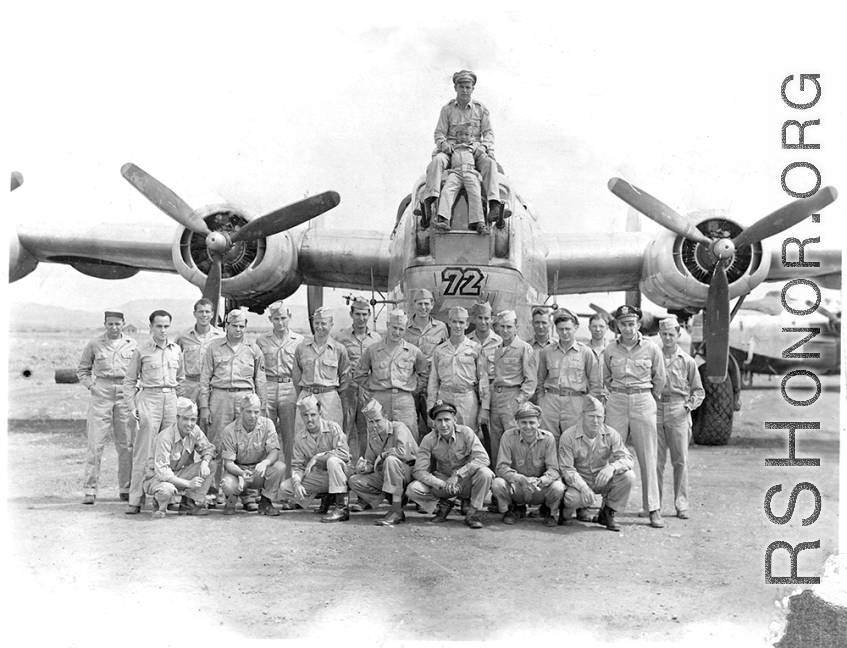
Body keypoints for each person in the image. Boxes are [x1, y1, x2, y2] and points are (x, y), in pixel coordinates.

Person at [602, 304, 666, 528]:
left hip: (643, 400)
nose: (627, 328)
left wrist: (647, 396)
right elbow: (606, 378)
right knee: (613, 456)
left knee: (648, 456)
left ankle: (653, 509)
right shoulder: (610, 349)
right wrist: (619, 394)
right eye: (623, 324)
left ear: (639, 324)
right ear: (617, 326)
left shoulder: (651, 348)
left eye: (631, 324)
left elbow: (660, 378)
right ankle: (608, 509)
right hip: (617, 400)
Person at [199, 309, 267, 506]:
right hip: (220, 397)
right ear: (226, 326)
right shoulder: (213, 348)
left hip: (245, 397)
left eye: (241, 326)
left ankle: (248, 494)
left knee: (248, 446)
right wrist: (204, 406)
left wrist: (261, 408)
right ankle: (212, 492)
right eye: (234, 325)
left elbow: (260, 381)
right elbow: (205, 379)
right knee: (216, 444)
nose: (238, 329)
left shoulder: (253, 349)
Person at [422, 70, 504, 228]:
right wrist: (444, 145)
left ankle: (494, 204)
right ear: (455, 87)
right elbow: (439, 132)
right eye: (461, 86)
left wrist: (483, 146)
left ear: (473, 88)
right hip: (452, 148)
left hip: (474, 149)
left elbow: (488, 133)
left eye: (468, 86)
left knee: (489, 164)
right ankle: (430, 199)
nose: (465, 90)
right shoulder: (447, 109)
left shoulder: (481, 109)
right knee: (437, 161)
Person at [123, 310, 185, 514]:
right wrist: (133, 407)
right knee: (144, 451)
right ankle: (135, 499)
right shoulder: (142, 351)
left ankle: (168, 496)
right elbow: (130, 381)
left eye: (166, 326)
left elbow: (182, 380)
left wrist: (181, 404)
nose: (163, 330)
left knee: (171, 451)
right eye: (159, 326)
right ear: (151, 327)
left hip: (171, 401)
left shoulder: (176, 350)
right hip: (150, 398)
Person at [77, 310, 137, 504]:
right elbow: (83, 369)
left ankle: (125, 488)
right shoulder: (94, 344)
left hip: (124, 393)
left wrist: (134, 389)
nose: (114, 327)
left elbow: (138, 370)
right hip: (101, 391)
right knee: (95, 443)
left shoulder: (132, 344)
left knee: (126, 444)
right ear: (105, 324)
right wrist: (91, 386)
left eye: (117, 324)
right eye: (110, 324)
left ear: (123, 323)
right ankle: (90, 490)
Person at [406, 400, 494, 529]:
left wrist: (458, 474)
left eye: (447, 420)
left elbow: (483, 458)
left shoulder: (466, 433)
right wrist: (441, 484)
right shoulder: (429, 439)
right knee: (413, 489)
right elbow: (419, 471)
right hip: (444, 481)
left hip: (466, 480)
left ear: (455, 420)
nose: (444, 425)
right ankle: (443, 505)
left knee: (486, 473)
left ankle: (472, 513)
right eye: (439, 420)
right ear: (434, 423)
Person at [558, 396, 635, 532]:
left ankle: (607, 513)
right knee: (573, 499)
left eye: (599, 417)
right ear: (582, 416)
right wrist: (583, 488)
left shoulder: (611, 434)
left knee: (628, 476)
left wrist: (612, 467)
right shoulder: (568, 436)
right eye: (591, 416)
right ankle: (566, 512)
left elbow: (628, 459)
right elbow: (567, 470)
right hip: (578, 483)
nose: (595, 421)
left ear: (604, 417)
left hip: (600, 480)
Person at [656, 316, 705, 519]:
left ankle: (681, 504)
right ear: (660, 335)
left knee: (680, 461)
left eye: (671, 334)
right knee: (656, 461)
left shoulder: (688, 361)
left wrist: (688, 406)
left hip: (678, 409)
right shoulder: (653, 357)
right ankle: (654, 505)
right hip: (656, 408)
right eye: (664, 334)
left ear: (678, 335)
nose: (668, 338)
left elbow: (698, 391)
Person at [355, 309, 428, 441]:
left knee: (408, 438)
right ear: (388, 325)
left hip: (405, 401)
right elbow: (359, 375)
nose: (397, 332)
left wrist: (412, 390)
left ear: (405, 329)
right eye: (394, 327)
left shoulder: (413, 351)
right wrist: (374, 387)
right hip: (380, 399)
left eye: (401, 329)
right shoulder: (372, 350)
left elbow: (424, 374)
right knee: (379, 438)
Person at [278, 395, 352, 523]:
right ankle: (327, 496)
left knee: (332, 461)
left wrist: (318, 457)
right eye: (305, 415)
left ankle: (341, 508)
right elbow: (297, 466)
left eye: (313, 414)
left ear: (320, 413)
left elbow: (344, 454)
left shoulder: (333, 428)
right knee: (286, 487)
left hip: (343, 474)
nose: (309, 419)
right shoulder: (300, 438)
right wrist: (297, 483)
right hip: (321, 478)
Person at [348, 399, 419, 526]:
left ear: (386, 417)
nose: (375, 425)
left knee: (391, 460)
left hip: (408, 473)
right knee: (355, 480)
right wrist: (364, 468)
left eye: (377, 420)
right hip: (387, 475)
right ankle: (393, 499)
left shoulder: (399, 428)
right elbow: (370, 461)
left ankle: (397, 511)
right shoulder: (374, 437)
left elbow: (405, 453)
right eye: (371, 422)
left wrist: (383, 455)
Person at [536, 308, 601, 444]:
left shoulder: (586, 352)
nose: (564, 333)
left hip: (575, 403)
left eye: (568, 329)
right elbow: (540, 381)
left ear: (575, 328)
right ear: (556, 329)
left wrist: (586, 405)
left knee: (574, 442)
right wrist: (542, 402)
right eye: (561, 329)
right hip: (550, 403)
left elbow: (595, 385)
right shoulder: (547, 351)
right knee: (548, 442)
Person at [491, 402, 562, 527]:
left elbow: (554, 470)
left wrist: (540, 481)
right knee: (497, 484)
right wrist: (521, 479)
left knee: (558, 487)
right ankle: (512, 509)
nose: (528, 427)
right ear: (517, 423)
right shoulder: (508, 437)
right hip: (518, 487)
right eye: (523, 423)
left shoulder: (548, 438)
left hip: (539, 488)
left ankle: (547, 511)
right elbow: (501, 468)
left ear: (539, 422)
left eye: (532, 422)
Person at [144, 397, 216, 518]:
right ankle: (159, 504)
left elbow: (209, 448)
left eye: (193, 420)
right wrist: (188, 484)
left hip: (176, 474)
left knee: (211, 465)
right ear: (177, 418)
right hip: (156, 478)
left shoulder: (195, 431)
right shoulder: (166, 437)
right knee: (167, 489)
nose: (189, 424)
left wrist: (204, 463)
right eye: (185, 419)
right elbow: (162, 473)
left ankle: (188, 504)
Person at [256, 300, 304, 476]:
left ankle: (290, 479)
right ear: (270, 319)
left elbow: (302, 368)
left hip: (289, 387)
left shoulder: (299, 341)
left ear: (289, 317)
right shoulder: (261, 341)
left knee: (290, 436)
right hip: (268, 387)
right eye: (276, 318)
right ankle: (264, 479)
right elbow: (257, 370)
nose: (280, 322)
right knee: (265, 435)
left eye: (283, 318)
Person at [219, 393, 286, 516]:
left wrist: (265, 463)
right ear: (241, 410)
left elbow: (274, 451)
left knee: (279, 467)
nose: (253, 416)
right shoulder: (229, 430)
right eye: (249, 412)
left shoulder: (268, 424)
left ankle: (265, 502)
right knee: (227, 484)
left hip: (258, 470)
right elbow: (228, 463)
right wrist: (241, 473)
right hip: (238, 471)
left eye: (256, 412)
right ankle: (230, 503)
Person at [427, 306, 489, 433]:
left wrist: (485, 408)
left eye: (461, 322)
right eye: (454, 321)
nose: (457, 326)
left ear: (467, 325)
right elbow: (433, 381)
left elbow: (483, 379)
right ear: (449, 323)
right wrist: (430, 407)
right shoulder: (439, 350)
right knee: (444, 435)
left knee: (468, 435)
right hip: (445, 397)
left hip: (467, 399)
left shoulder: (475, 349)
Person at [489, 310, 537, 470]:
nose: (505, 330)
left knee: (514, 438)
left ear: (516, 327)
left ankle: (516, 476)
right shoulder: (497, 349)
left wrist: (520, 400)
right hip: (496, 398)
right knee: (496, 439)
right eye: (501, 326)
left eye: (509, 326)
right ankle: (499, 475)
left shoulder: (525, 348)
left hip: (513, 397)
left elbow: (531, 379)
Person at [334, 298, 381, 461]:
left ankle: (364, 464)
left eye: (364, 314)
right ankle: (342, 464)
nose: (361, 318)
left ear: (369, 315)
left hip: (368, 390)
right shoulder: (341, 337)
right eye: (358, 314)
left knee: (366, 429)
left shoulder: (376, 339)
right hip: (347, 389)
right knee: (344, 428)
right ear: (351, 315)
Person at [292, 306, 350, 432]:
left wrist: (332, 392)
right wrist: (304, 394)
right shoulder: (302, 348)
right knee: (304, 435)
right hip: (306, 395)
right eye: (316, 323)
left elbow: (345, 376)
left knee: (332, 434)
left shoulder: (339, 349)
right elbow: (296, 376)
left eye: (323, 323)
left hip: (329, 398)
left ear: (331, 324)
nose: (319, 327)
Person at [403, 288, 449, 433]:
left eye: (426, 304)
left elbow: (445, 354)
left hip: (432, 384)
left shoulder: (441, 328)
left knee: (435, 424)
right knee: (410, 425)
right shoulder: (404, 327)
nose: (423, 308)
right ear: (414, 304)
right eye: (420, 304)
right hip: (410, 384)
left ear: (432, 304)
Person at [432, 125, 489, 234]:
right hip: (455, 172)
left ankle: (479, 222)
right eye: (461, 134)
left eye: (467, 134)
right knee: (447, 191)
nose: (463, 137)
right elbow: (436, 153)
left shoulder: (475, 146)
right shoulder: (452, 147)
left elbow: (485, 153)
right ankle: (444, 220)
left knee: (475, 192)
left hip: (470, 171)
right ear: (456, 136)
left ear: (471, 136)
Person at [175, 298, 224, 408]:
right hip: (190, 387)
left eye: (207, 312)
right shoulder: (183, 337)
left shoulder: (221, 337)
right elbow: (174, 361)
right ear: (195, 314)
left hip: (212, 387)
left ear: (212, 314)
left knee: (210, 420)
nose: (204, 315)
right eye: (201, 311)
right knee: (188, 418)